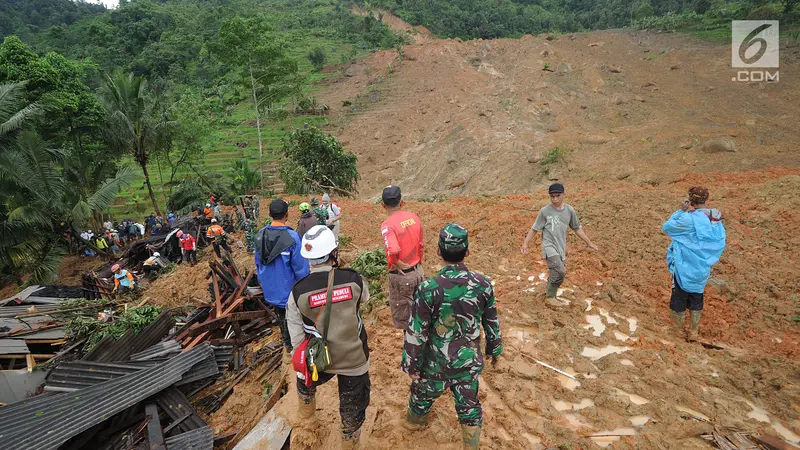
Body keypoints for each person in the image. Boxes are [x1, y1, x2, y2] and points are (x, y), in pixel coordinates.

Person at [401, 224, 502, 450]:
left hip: (434, 365)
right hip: (467, 363)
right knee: (469, 408)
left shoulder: (428, 288)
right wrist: (494, 350)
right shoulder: (483, 284)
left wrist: (411, 365)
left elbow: (417, 332)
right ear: (467, 252)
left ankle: (415, 424)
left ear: (438, 251)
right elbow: (492, 320)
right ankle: (471, 445)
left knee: (420, 400)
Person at [287, 225, 370, 450]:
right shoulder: (354, 279)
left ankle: (306, 411)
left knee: (305, 380)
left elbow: (293, 325)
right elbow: (365, 299)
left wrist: (299, 352)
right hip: (353, 356)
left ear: (308, 258)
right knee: (353, 403)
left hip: (317, 357)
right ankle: (349, 440)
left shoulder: (298, 291)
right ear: (334, 252)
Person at [662, 186, 726, 341]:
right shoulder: (715, 220)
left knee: (679, 296)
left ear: (690, 200)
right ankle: (694, 332)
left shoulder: (687, 219)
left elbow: (667, 227)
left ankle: (677, 332)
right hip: (702, 267)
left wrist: (680, 211)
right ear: (706, 199)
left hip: (684, 266)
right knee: (697, 296)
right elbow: (720, 243)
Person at [521, 183, 598, 307]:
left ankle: (550, 292)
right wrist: (525, 243)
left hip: (560, 247)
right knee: (560, 271)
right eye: (552, 196)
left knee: (559, 274)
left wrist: (589, 243)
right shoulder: (544, 211)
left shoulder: (569, 210)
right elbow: (535, 229)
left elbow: (577, 228)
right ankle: (550, 297)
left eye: (558, 196)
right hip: (548, 246)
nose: (555, 199)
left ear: (563, 195)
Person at [254, 199, 310, 354]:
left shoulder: (259, 236)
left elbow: (258, 263)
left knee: (281, 316)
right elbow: (301, 269)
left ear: (270, 214)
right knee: (294, 320)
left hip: (271, 290)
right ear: (287, 214)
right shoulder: (292, 237)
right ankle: (296, 349)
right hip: (290, 291)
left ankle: (287, 344)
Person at [380, 185, 425, 329]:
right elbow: (421, 245)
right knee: (422, 315)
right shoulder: (414, 218)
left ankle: (412, 350)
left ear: (383, 205)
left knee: (407, 322)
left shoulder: (388, 225)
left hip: (403, 276)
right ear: (402, 202)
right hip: (418, 271)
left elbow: (393, 250)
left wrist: (395, 262)